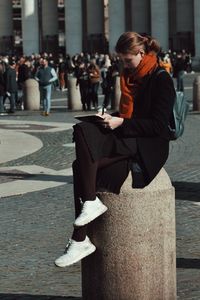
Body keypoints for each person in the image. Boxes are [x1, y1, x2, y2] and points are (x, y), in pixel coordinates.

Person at [55, 32, 176, 267]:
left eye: (127, 59)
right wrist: (112, 118)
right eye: (121, 60)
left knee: (82, 158)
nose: (124, 64)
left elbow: (159, 125)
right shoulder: (130, 77)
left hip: (148, 145)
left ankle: (81, 233)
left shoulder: (161, 78)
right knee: (82, 142)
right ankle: (82, 231)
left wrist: (121, 122)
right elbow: (130, 114)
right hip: (128, 135)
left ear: (141, 53)